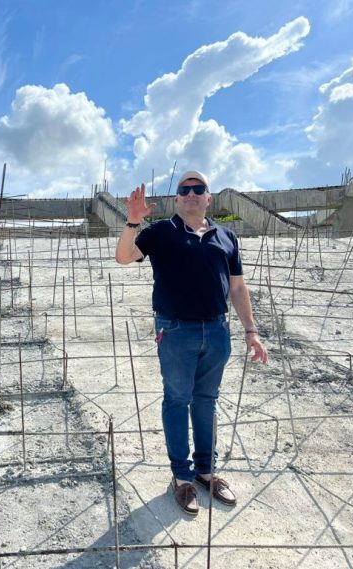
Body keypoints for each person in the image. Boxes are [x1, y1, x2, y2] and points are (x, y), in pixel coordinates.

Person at [115, 170, 268, 516]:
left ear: (209, 197)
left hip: (216, 331)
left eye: (199, 188)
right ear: (177, 199)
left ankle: (205, 471)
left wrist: (251, 331)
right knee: (177, 400)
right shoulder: (160, 232)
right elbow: (123, 257)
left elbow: (238, 287)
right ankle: (182, 478)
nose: (192, 193)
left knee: (206, 402)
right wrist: (132, 222)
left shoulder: (226, 236)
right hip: (175, 331)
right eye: (185, 189)